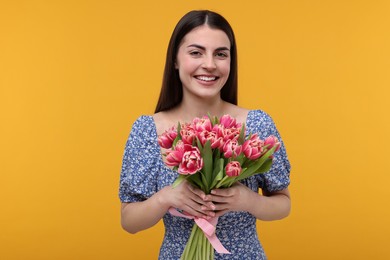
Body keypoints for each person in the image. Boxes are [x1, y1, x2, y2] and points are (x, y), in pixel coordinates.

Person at [119, 10, 291, 259]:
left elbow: (283, 204)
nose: (210, 64)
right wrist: (167, 197)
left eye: (221, 54)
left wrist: (247, 200)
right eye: (196, 52)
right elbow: (129, 221)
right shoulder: (148, 130)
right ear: (175, 60)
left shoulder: (256, 124)